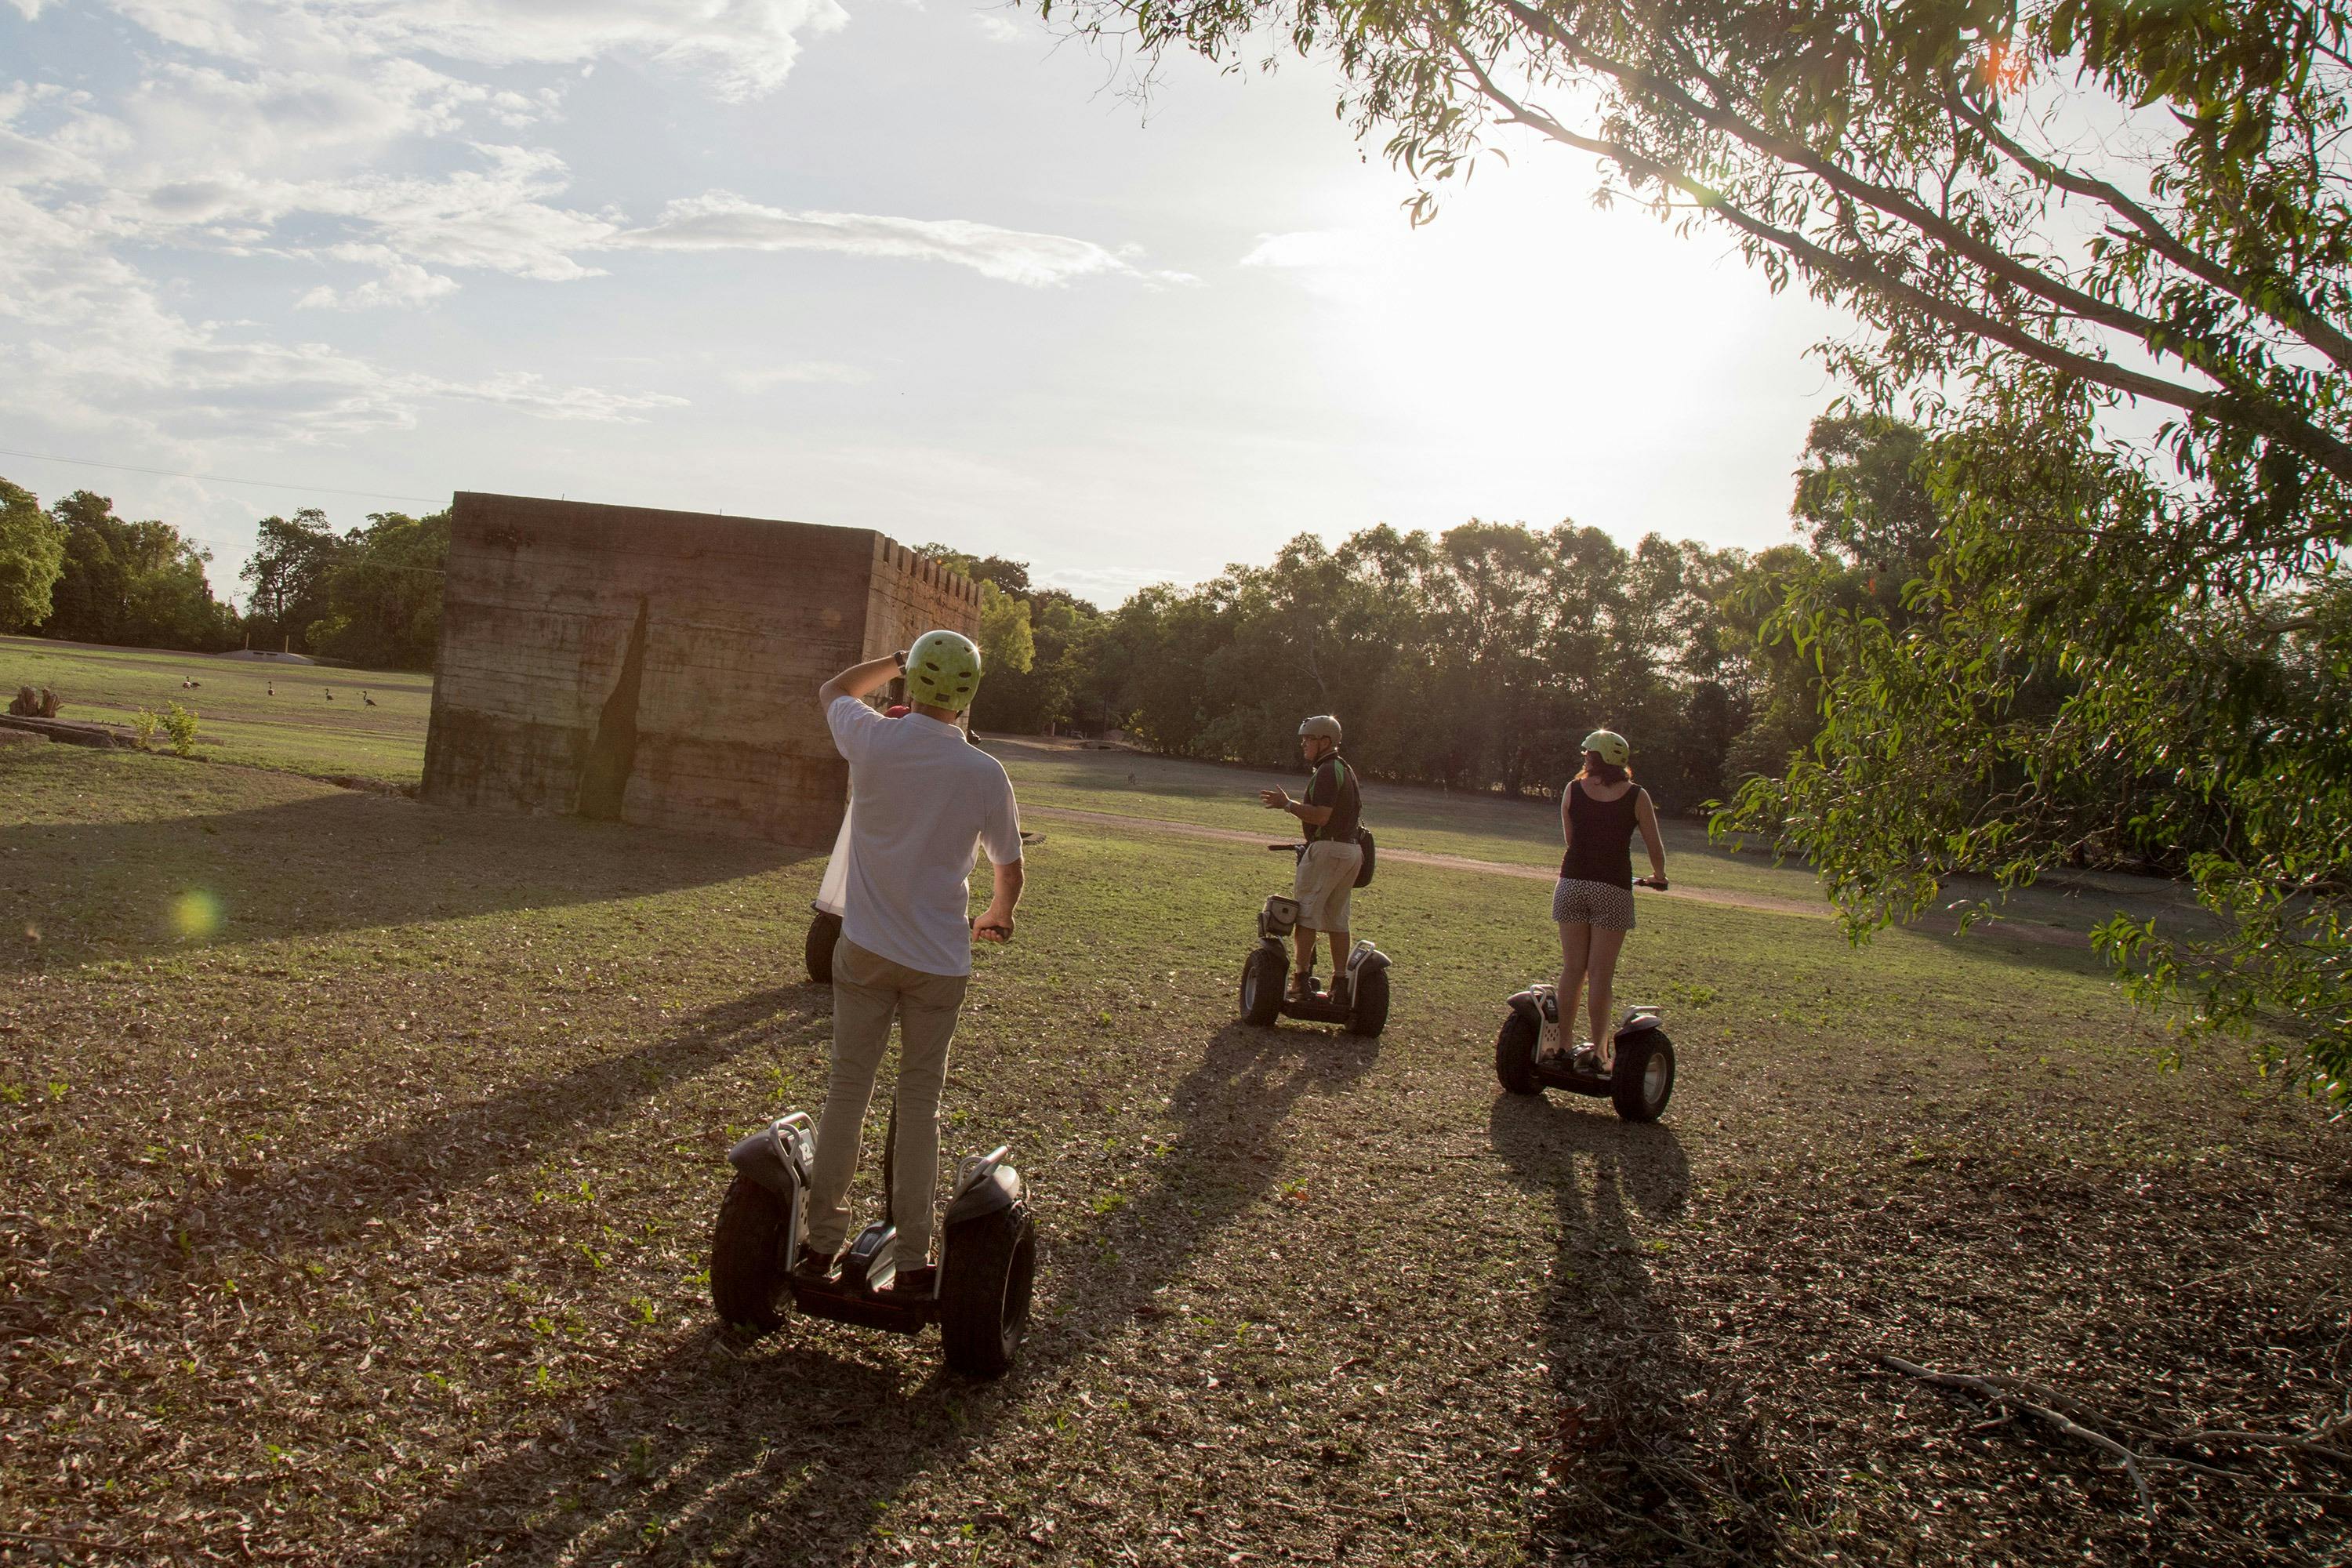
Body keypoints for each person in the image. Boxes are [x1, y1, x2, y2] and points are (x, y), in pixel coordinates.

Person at [804, 630, 1024, 1297]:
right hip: (939, 962)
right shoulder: (985, 774)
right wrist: (997, 914)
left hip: (867, 948)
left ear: (913, 685)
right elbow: (1009, 870)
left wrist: (897, 662)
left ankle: (819, 1245)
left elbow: (833, 689)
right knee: (920, 1100)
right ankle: (914, 1260)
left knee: (849, 1089)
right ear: (970, 694)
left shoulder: (871, 738)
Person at [1549, 728, 1668, 1073]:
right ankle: (1600, 1054)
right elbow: (1654, 845)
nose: (1585, 757)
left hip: (1570, 884)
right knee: (1600, 975)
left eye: (1589, 754)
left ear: (1596, 758)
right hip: (1612, 890)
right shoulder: (1637, 796)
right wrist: (1658, 875)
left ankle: (1562, 1046)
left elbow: (1572, 840)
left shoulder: (1572, 790)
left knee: (1573, 969)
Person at [1258, 714, 1363, 1004]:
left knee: (1306, 915)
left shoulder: (1328, 770)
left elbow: (1321, 815)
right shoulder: (1344, 768)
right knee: (1338, 919)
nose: (1304, 743)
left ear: (1325, 741)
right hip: (1351, 851)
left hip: (1327, 849)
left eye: (1309, 738)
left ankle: (1300, 981)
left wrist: (1288, 805)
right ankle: (1340, 985)